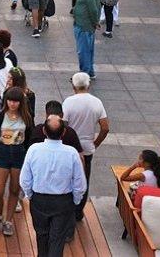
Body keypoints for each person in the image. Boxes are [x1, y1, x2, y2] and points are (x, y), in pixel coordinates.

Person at [20, 115, 87, 256]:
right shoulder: (72, 153)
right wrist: (75, 200)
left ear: (44, 131)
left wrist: (31, 195)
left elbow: (25, 178)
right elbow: (80, 183)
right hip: (63, 201)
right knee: (57, 240)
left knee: (41, 236)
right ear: (63, 133)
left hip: (39, 200)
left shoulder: (34, 149)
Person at [62, 72, 109, 222]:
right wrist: (95, 143)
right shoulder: (97, 102)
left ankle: (67, 208)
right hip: (87, 148)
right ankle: (78, 211)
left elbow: (63, 125)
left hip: (70, 147)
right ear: (88, 85)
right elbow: (105, 127)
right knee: (83, 179)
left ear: (73, 85)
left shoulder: (68, 102)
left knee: (67, 178)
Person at [0, 86, 33, 238]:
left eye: (16, 101)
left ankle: (8, 220)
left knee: (15, 190)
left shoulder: (26, 118)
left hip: (19, 153)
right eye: (10, 101)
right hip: (2, 153)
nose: (13, 104)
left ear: (21, 103)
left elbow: (29, 140)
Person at [72, 0, 100, 77]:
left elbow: (93, 9)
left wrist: (95, 22)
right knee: (88, 50)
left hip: (84, 26)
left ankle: (84, 73)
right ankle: (90, 71)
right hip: (85, 25)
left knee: (83, 51)